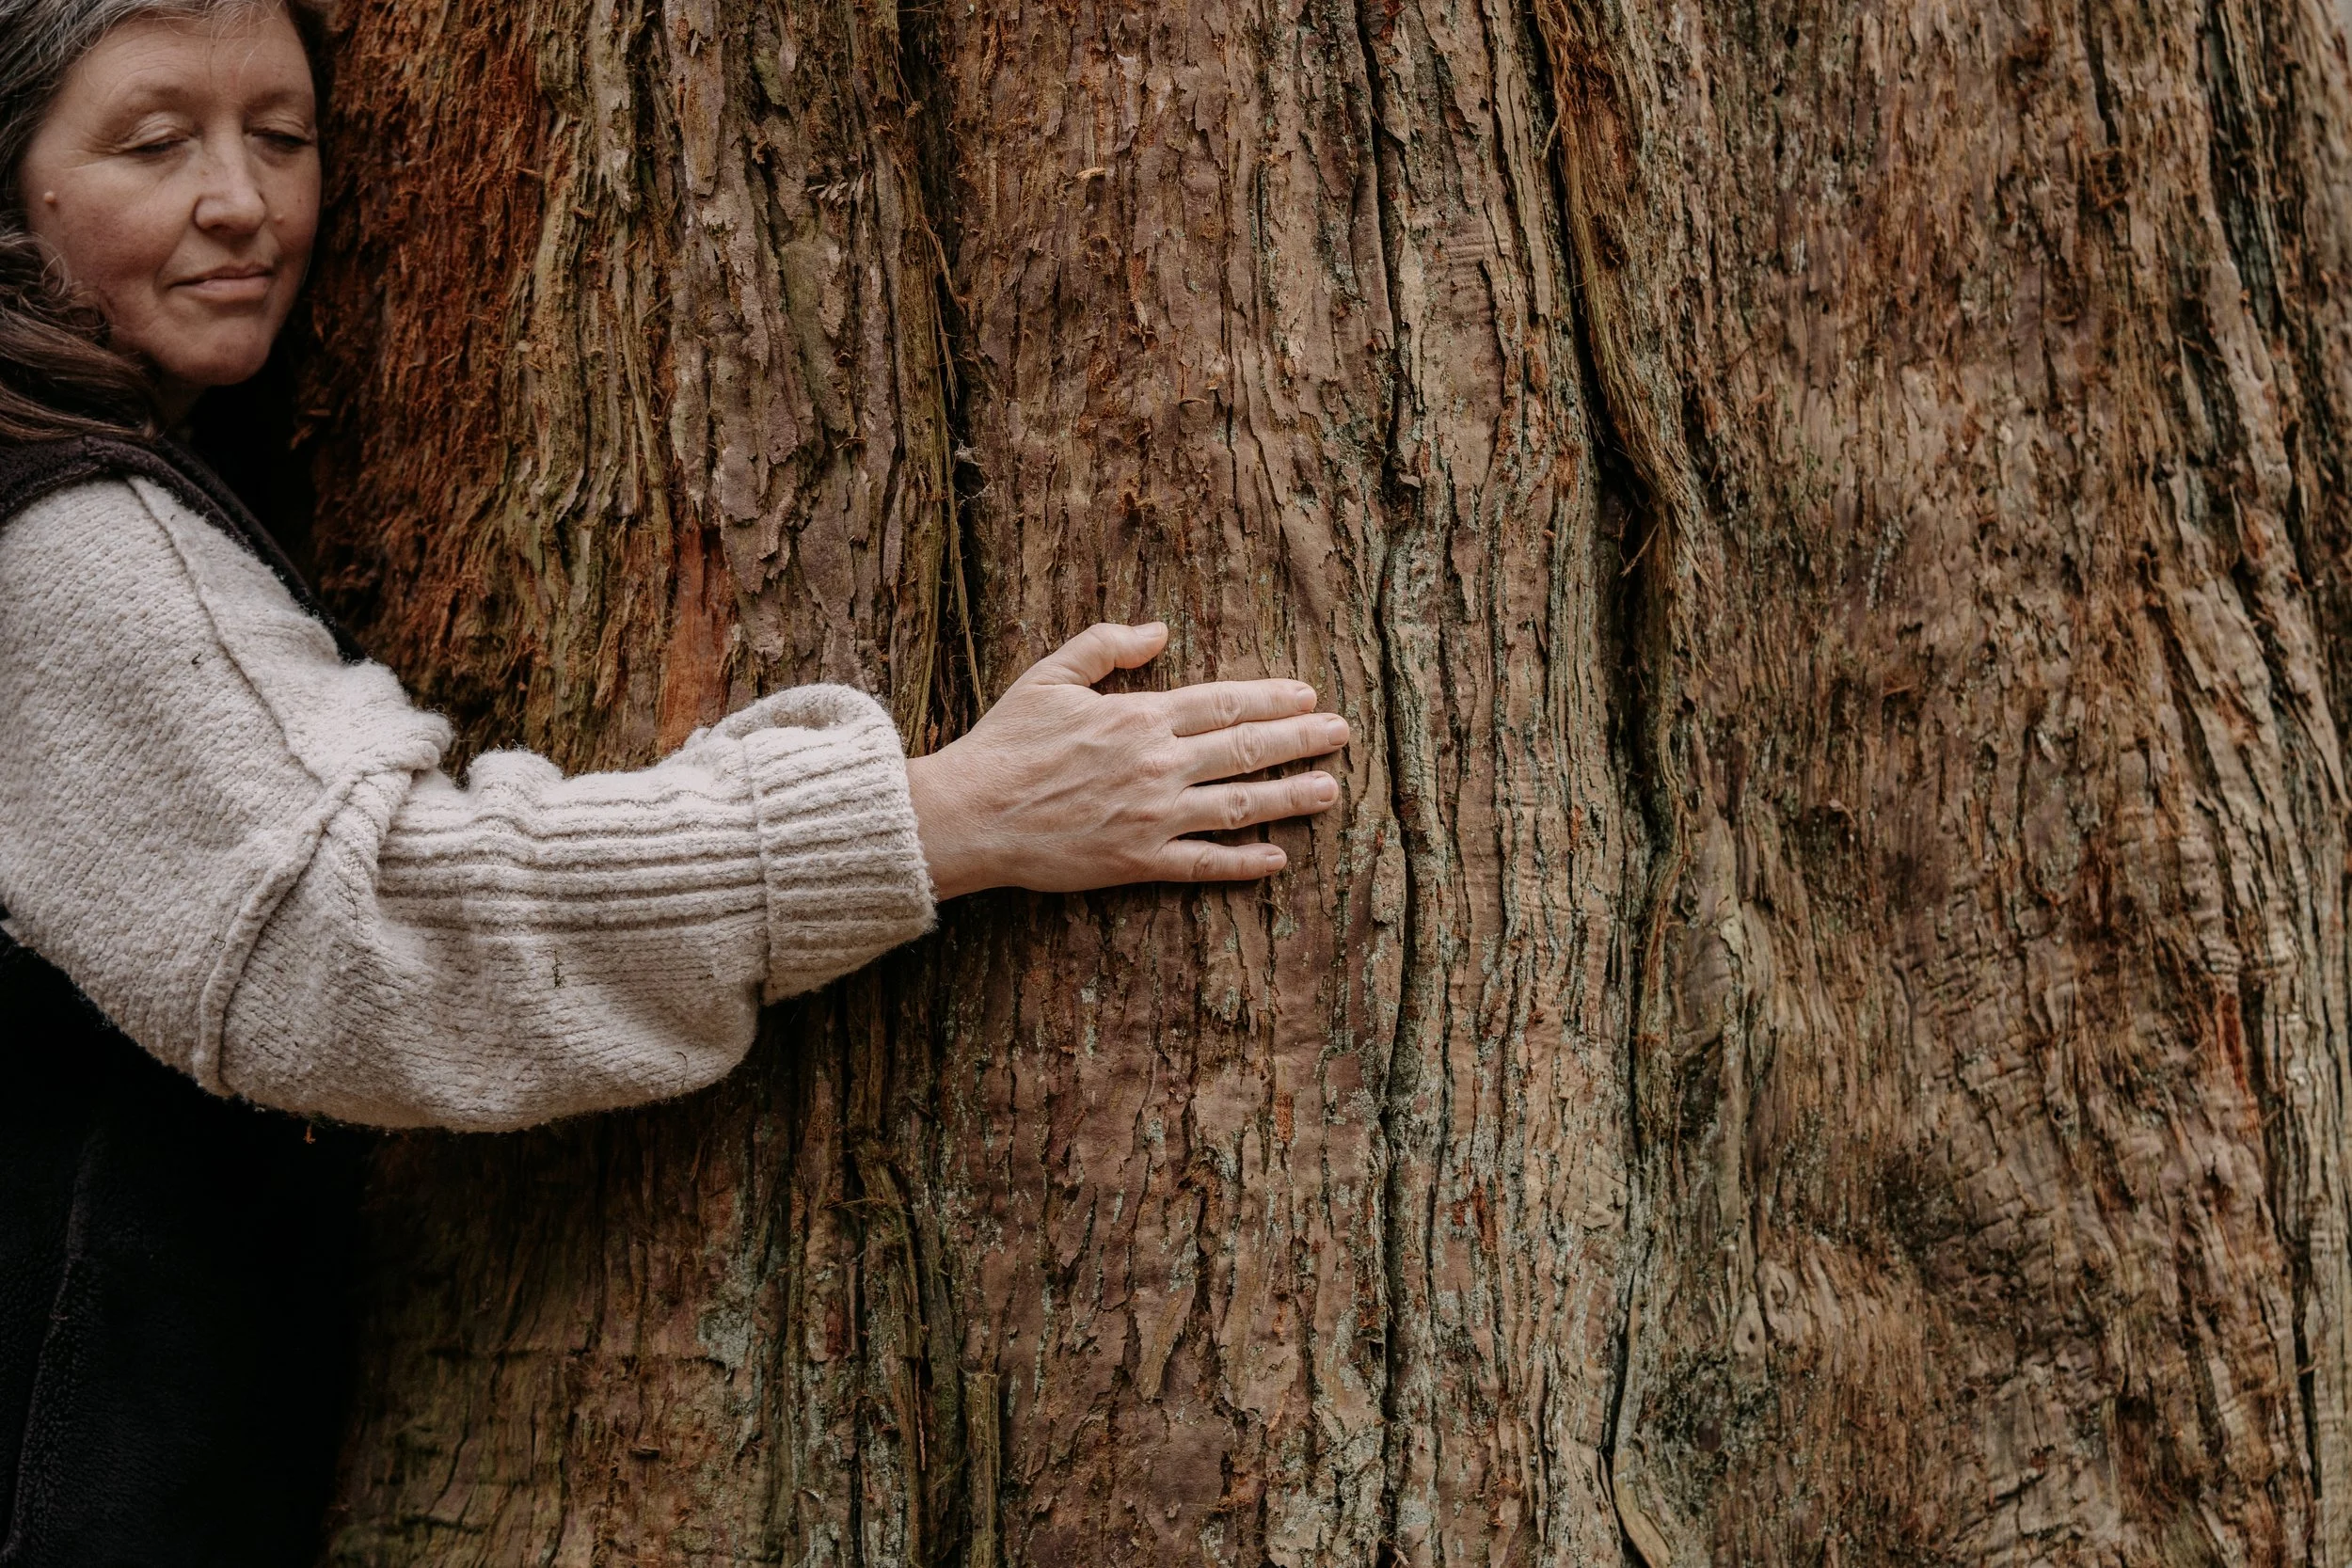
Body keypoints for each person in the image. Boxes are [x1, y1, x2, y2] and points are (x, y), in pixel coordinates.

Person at [0, 1, 1352, 1560]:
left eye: (284, 137)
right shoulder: (63, 544)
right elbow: (352, 933)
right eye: (155, 143)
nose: (243, 199)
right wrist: (941, 816)